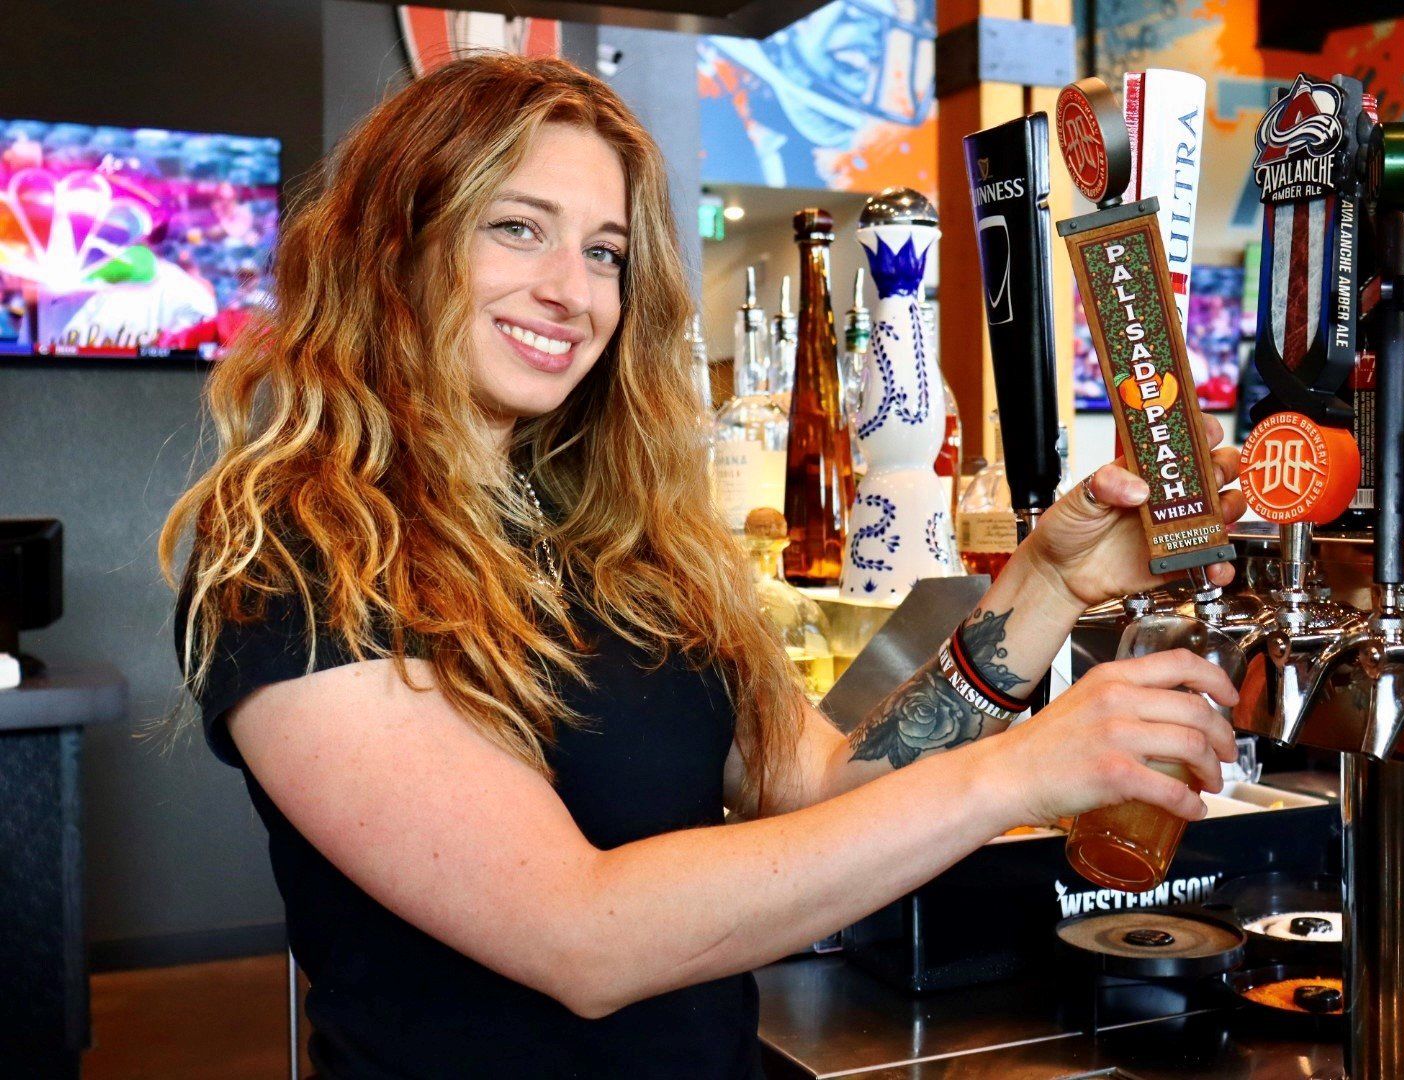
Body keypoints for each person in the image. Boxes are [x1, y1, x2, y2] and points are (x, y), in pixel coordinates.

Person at [160, 55, 1246, 1079]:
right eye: (517, 228)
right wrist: (1016, 773)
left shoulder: (624, 538)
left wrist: (1046, 588)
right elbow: (582, 935)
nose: (571, 291)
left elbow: (820, 784)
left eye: (603, 252)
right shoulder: (298, 557)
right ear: (395, 245)